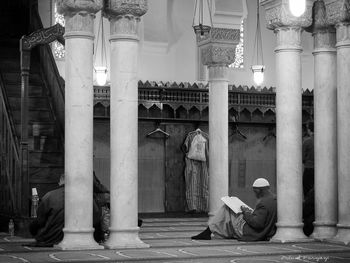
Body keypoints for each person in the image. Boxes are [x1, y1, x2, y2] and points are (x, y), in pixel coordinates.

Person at [191, 178, 277, 241]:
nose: (255, 194)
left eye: (254, 191)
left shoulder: (263, 203)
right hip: (263, 231)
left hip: (250, 231)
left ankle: (208, 231)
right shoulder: (274, 198)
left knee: (227, 208)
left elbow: (257, 224)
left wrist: (245, 212)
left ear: (258, 190)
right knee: (228, 213)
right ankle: (211, 231)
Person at [29, 174, 102, 247]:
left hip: (51, 237)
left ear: (61, 181)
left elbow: (39, 221)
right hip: (81, 236)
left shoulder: (49, 196)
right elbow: (96, 218)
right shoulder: (86, 196)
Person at [302, 122, 314, 197]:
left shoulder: (307, 142)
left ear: (309, 130)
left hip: (309, 169)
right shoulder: (324, 141)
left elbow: (302, 157)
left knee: (308, 192)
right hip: (322, 171)